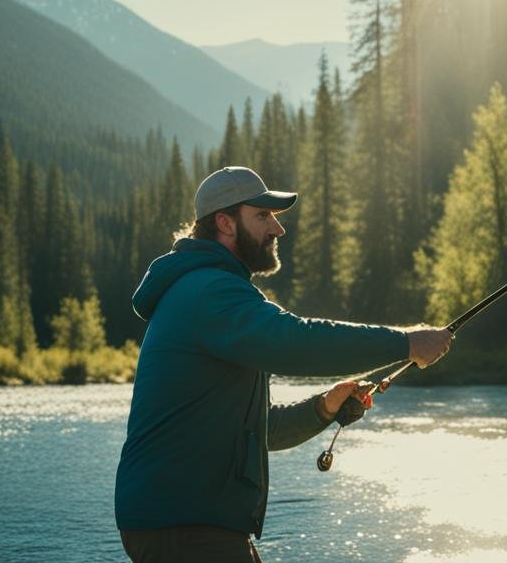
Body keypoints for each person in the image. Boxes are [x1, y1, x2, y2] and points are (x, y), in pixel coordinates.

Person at [115, 166, 453, 562]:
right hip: (184, 523)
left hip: (184, 520)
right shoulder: (209, 290)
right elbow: (296, 340)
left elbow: (261, 429)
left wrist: (324, 407)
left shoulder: (209, 291)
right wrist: (406, 342)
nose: (278, 229)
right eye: (262, 216)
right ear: (224, 222)